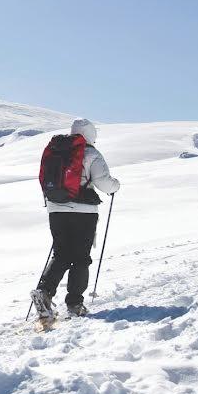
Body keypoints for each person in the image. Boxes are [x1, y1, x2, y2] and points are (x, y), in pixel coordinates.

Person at [31, 118, 120, 320]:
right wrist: (116, 186)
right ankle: (75, 304)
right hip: (83, 212)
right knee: (80, 258)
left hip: (55, 209)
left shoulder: (56, 151)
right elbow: (105, 184)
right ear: (91, 134)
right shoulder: (91, 153)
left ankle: (44, 292)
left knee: (61, 254)